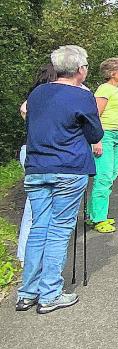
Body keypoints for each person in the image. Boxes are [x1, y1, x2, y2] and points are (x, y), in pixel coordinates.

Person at [16, 45, 103, 314]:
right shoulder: (81, 95)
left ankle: (27, 292)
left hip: (37, 167)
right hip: (67, 167)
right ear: (80, 70)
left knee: (39, 228)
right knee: (58, 230)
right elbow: (95, 133)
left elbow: (31, 120)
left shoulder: (38, 93)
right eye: (86, 65)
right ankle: (50, 293)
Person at [17, 64, 58, 267]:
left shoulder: (33, 97)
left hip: (29, 149)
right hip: (42, 153)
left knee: (32, 207)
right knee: (39, 208)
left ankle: (26, 254)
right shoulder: (51, 98)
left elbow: (24, 110)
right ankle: (32, 254)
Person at [88, 57, 118, 234]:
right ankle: (98, 219)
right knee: (103, 178)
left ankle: (94, 213)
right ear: (112, 72)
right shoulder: (104, 89)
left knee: (110, 175)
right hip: (104, 135)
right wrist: (95, 139)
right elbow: (94, 115)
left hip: (116, 136)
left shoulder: (117, 90)